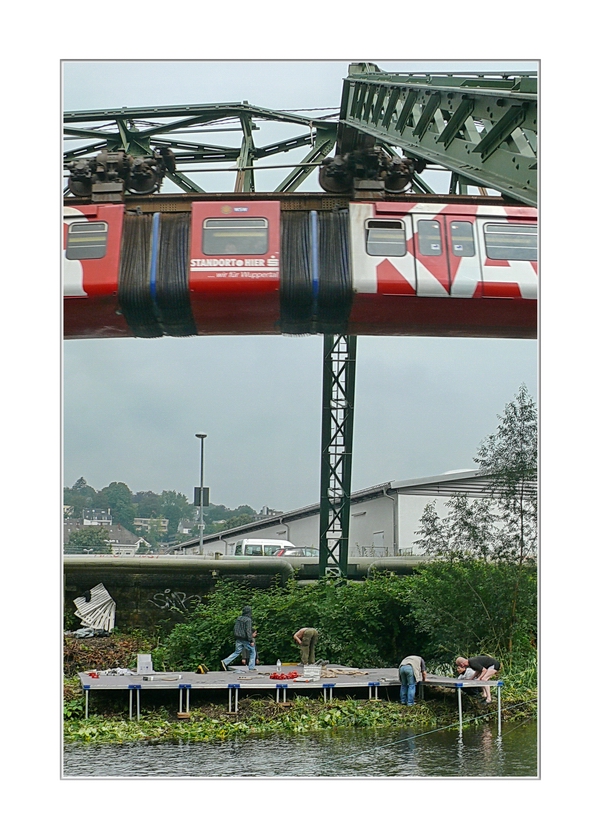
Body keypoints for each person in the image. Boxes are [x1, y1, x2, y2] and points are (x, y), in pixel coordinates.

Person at [221, 606, 256, 670]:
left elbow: (235, 628)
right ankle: (251, 667)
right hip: (245, 638)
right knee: (252, 651)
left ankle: (225, 661)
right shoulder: (248, 620)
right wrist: (251, 641)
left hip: (238, 638)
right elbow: (248, 631)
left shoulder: (239, 618)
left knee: (237, 652)